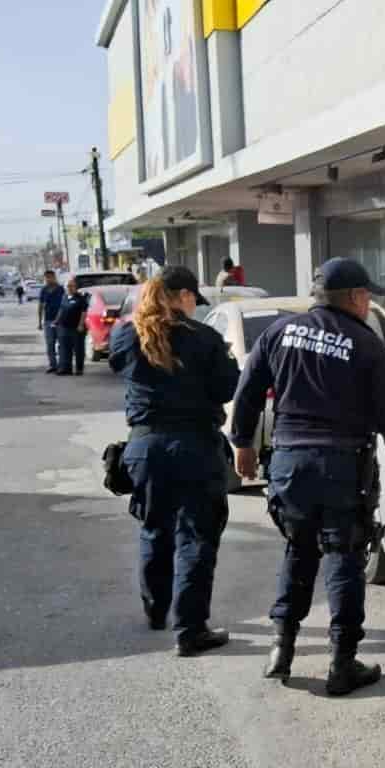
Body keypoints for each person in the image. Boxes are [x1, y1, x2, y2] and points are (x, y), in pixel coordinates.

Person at [230, 257, 385, 696]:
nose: (370, 302)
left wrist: (242, 443)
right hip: (342, 466)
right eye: (367, 295)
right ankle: (341, 663)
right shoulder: (365, 343)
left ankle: (282, 648)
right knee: (344, 558)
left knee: (298, 549)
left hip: (289, 464)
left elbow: (248, 389)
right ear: (354, 298)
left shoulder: (279, 332)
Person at [110, 267, 239, 656]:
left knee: (154, 529)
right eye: (192, 300)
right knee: (196, 538)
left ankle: (155, 610)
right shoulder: (204, 339)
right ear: (181, 295)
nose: (194, 307)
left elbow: (121, 367)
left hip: (146, 448)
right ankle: (190, 629)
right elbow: (227, 387)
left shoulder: (127, 335)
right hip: (195, 447)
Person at [53, 278, 90, 375]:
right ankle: (66, 369)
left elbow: (84, 312)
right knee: (66, 349)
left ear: (76, 287)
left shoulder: (80, 298)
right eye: (68, 286)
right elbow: (61, 310)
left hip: (77, 328)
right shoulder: (64, 297)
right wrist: (56, 321)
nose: (69, 288)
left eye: (72, 286)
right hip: (64, 327)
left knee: (78, 349)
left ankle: (79, 369)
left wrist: (81, 324)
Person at [38, 271, 66, 373]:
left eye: (50, 277)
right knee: (50, 344)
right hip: (48, 321)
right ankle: (52, 365)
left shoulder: (61, 289)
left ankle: (61, 365)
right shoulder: (44, 290)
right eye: (47, 278)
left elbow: (64, 305)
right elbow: (40, 306)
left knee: (61, 344)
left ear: (54, 277)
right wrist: (39, 321)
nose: (49, 280)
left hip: (60, 321)